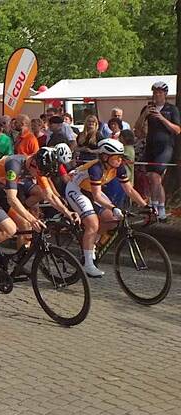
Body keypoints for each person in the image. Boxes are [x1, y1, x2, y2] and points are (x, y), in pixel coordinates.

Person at [0, 148, 77, 273]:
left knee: (25, 226)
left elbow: (50, 195)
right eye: (39, 173)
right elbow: (12, 199)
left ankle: (18, 264)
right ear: (34, 163)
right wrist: (32, 219)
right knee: (10, 229)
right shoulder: (14, 164)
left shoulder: (38, 167)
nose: (39, 176)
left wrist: (67, 212)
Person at [65, 139, 150, 277]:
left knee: (112, 219)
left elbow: (129, 190)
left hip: (92, 191)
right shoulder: (96, 168)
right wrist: (113, 207)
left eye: (121, 157)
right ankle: (88, 264)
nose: (119, 160)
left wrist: (146, 206)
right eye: (116, 157)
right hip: (76, 190)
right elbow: (97, 196)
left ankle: (91, 244)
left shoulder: (118, 167)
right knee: (92, 224)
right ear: (105, 157)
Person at [135, 81, 180, 222]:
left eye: (160, 92)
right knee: (152, 178)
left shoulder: (171, 109)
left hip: (165, 147)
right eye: (155, 92)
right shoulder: (148, 108)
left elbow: (177, 130)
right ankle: (160, 209)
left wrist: (161, 118)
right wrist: (145, 115)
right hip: (150, 146)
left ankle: (156, 209)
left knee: (155, 177)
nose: (156, 95)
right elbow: (137, 129)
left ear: (165, 94)